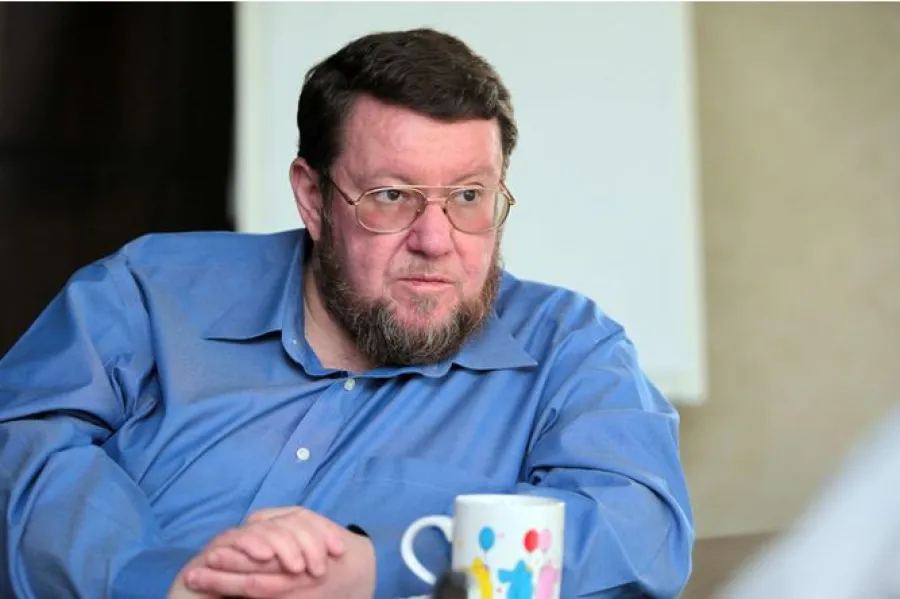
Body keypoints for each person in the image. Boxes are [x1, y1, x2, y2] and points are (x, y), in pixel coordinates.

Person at [0, 28, 694, 599]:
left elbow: (641, 527)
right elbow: (22, 442)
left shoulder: (569, 348)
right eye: (392, 196)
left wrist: (384, 569)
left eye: (469, 196)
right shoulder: (148, 291)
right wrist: (160, 580)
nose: (436, 240)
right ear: (313, 197)